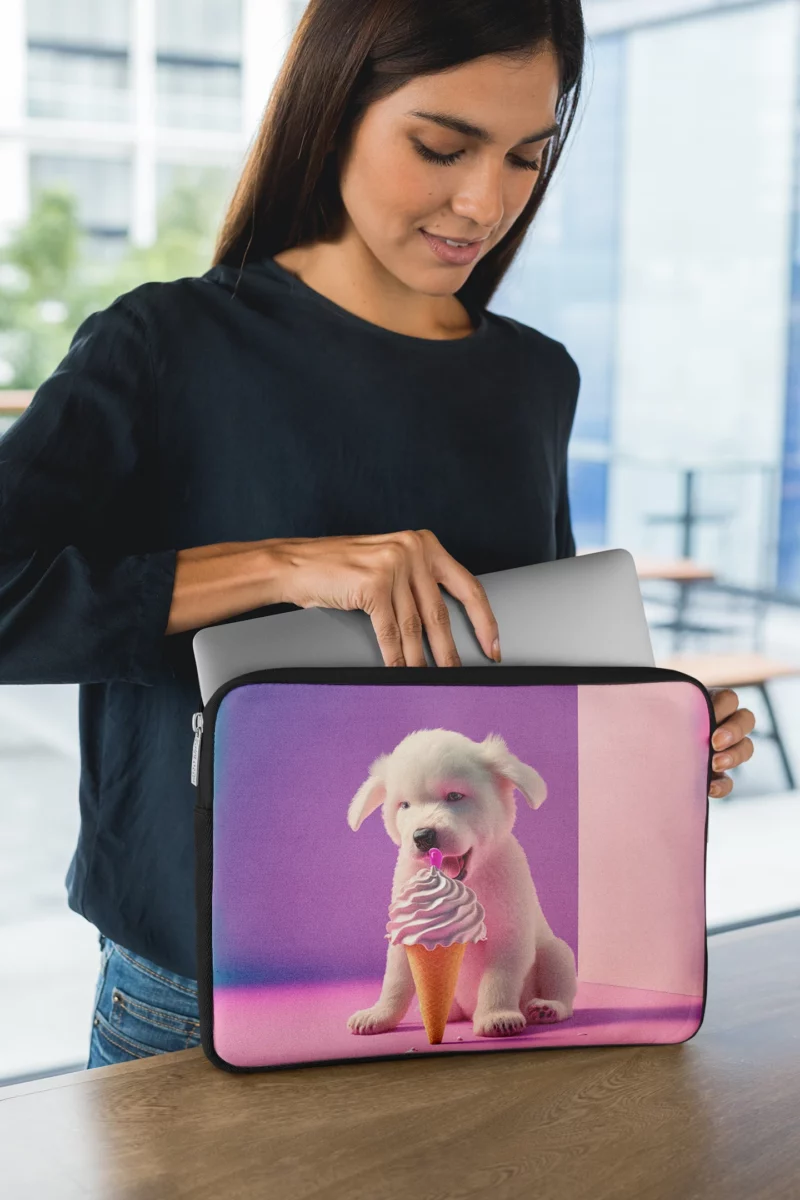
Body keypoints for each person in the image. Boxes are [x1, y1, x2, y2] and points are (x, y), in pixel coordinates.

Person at [0, 0, 754, 1070]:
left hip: (478, 994)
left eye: (525, 158)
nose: (482, 200)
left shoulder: (535, 378)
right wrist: (286, 567)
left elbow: (522, 669)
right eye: (440, 146)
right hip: (197, 994)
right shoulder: (162, 345)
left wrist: (664, 733)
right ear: (332, 109)